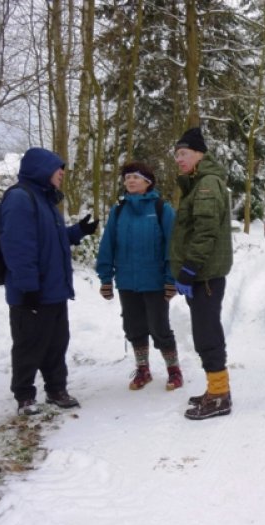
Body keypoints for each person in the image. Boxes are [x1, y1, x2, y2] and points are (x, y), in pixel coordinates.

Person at [0, 148, 98, 415]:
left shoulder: (45, 201)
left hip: (53, 290)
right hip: (32, 292)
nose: (62, 173)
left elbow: (51, 240)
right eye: (58, 168)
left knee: (56, 344)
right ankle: (25, 396)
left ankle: (56, 389)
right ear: (42, 169)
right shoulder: (20, 198)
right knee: (29, 345)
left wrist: (78, 231)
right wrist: (28, 287)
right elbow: (18, 247)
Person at [96, 161, 183, 392]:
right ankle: (143, 369)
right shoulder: (118, 211)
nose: (130, 181)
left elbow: (173, 247)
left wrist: (171, 279)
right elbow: (108, 245)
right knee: (133, 327)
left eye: (135, 177)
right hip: (127, 281)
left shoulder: (161, 209)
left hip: (155, 282)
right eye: (127, 178)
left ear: (147, 181)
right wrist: (105, 278)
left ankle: (174, 370)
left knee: (159, 327)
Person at [170, 127, 233, 420]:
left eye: (184, 153)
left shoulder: (206, 183)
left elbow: (206, 231)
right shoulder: (197, 183)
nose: (179, 159)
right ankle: (216, 388)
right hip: (201, 274)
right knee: (204, 331)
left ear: (199, 154)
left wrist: (189, 268)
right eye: (176, 155)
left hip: (204, 275)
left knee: (207, 333)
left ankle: (220, 396)